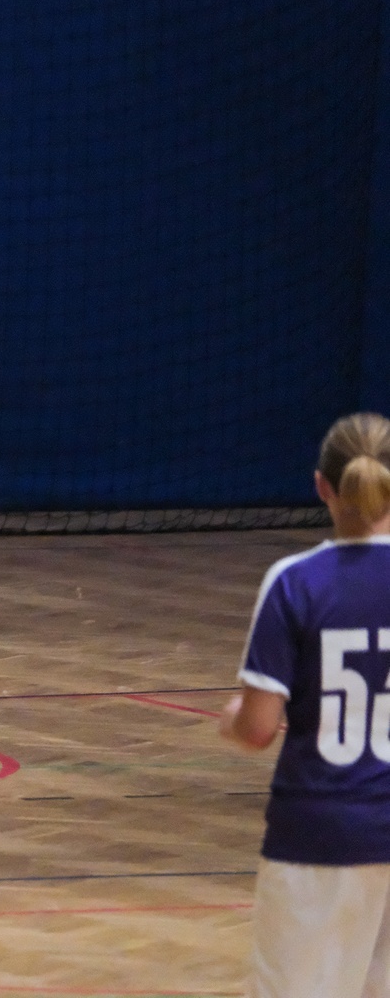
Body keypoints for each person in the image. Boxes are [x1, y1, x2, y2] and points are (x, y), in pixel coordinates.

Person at [220, 411, 390, 997]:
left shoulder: (296, 581)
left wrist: (231, 721)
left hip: (319, 837)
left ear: (322, 486)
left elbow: (257, 729)